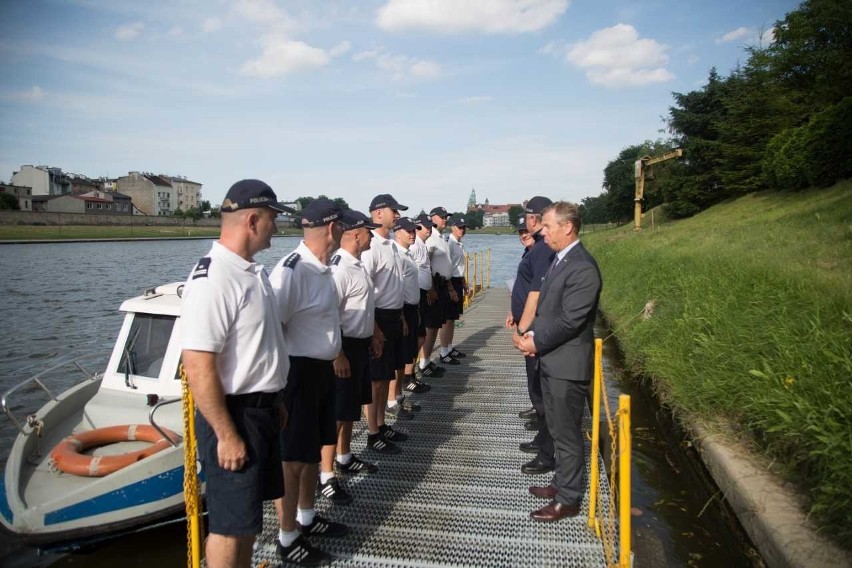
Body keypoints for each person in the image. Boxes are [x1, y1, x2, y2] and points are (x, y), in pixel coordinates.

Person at [180, 179, 291, 568]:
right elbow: (197, 363)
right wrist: (226, 435)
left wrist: (274, 399)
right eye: (274, 219)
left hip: (258, 412)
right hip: (232, 416)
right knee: (228, 526)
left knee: (245, 523)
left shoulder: (250, 273)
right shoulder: (215, 279)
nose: (277, 228)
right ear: (253, 220)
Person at [513, 201, 602, 522]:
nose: (543, 231)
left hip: (567, 365)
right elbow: (547, 307)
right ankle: (561, 483)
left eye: (548, 226)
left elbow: (570, 320)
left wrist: (534, 339)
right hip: (553, 360)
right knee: (558, 426)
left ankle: (569, 499)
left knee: (567, 433)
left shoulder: (582, 267)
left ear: (567, 227)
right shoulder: (560, 260)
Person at [269, 198, 346, 566]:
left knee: (312, 451)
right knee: (292, 459)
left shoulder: (323, 267)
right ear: (332, 229)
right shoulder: (292, 271)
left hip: (320, 372)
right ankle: (287, 538)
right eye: (343, 226)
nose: (344, 231)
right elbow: (272, 328)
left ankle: (307, 519)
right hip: (296, 373)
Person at [321, 210, 382, 501]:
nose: (371, 235)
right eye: (368, 231)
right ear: (356, 234)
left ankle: (344, 456)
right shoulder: (340, 269)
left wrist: (375, 331)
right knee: (336, 413)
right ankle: (326, 474)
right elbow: (328, 313)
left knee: (349, 411)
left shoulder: (357, 265)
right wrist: (337, 354)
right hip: (343, 347)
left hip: (359, 345)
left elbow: (364, 305)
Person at [506, 196, 556, 476]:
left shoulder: (540, 250)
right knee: (537, 386)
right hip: (533, 326)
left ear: (533, 218)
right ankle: (543, 439)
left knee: (541, 389)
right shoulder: (538, 249)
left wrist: (524, 330)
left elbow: (536, 293)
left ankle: (548, 451)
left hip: (536, 329)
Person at [361, 194, 410, 454]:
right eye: (394, 211)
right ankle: (372, 432)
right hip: (377, 317)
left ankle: (380, 424)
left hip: (393, 316)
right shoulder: (370, 247)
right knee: (376, 380)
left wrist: (401, 316)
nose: (398, 216)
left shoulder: (390, 245)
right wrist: (374, 329)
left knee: (386, 376)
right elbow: (365, 289)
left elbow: (396, 285)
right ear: (378, 213)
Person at [387, 216, 425, 417]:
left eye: (414, 231)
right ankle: (392, 401)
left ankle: (399, 396)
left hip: (411, 309)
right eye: (408, 231)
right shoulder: (398, 256)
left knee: (406, 356)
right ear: (397, 232)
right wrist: (401, 316)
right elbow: (397, 287)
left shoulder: (407, 254)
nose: (413, 234)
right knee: (399, 358)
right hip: (402, 310)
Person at [419, 206, 459, 372]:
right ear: (432, 217)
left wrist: (450, 287)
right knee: (430, 326)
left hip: (443, 284)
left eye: (446, 217)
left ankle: (428, 360)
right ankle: (424, 363)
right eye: (442, 217)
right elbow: (425, 264)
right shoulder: (430, 238)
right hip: (434, 286)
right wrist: (431, 289)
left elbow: (445, 265)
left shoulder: (441, 237)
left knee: (436, 325)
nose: (445, 219)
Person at [412, 214, 444, 380]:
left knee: (422, 333)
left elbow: (426, 268)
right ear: (417, 227)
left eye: (431, 227)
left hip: (424, 292)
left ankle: (419, 366)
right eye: (426, 227)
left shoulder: (422, 245)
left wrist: (430, 288)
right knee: (419, 334)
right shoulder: (415, 245)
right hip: (417, 295)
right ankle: (411, 372)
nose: (429, 230)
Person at [442, 216, 469, 359]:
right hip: (450, 282)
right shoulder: (450, 244)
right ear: (452, 227)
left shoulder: (459, 244)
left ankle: (449, 347)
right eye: (459, 227)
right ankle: (443, 351)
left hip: (458, 281)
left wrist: (464, 283)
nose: (462, 230)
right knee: (447, 319)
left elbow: (459, 266)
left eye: (464, 227)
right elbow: (447, 267)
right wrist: (451, 288)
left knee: (453, 318)